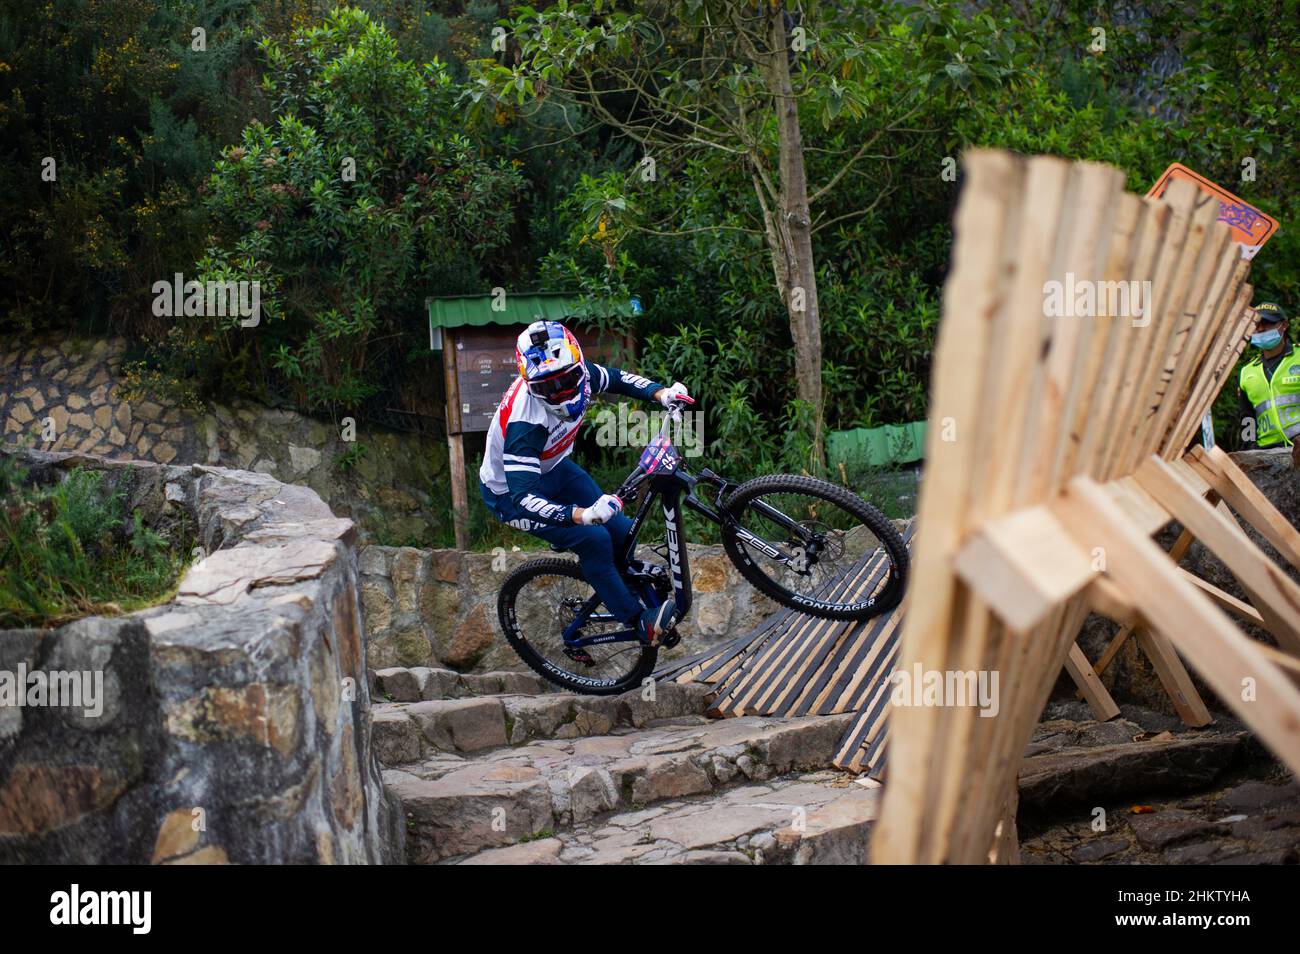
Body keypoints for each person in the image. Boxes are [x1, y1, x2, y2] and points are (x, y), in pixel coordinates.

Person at [479, 320, 692, 649]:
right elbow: (523, 498)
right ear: (530, 384)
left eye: (567, 380)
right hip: (510, 495)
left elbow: (618, 379)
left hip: (555, 468)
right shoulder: (526, 424)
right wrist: (579, 515)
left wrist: (661, 393)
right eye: (547, 388)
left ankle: (615, 582)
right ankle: (638, 622)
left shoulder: (581, 372)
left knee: (621, 532)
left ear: (578, 364)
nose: (561, 392)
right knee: (593, 539)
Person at [1236, 301, 1300, 466]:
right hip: (1267, 456)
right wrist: (1249, 450)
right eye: (1256, 323)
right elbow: (1247, 419)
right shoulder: (1247, 372)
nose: (1261, 328)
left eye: (1267, 323)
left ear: (1284, 325)